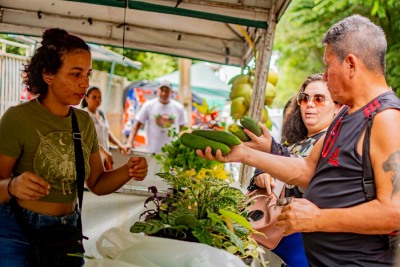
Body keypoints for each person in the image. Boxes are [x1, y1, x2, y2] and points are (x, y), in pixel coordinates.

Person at [197, 14, 400, 266]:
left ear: (350, 64)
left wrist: (317, 219)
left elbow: (395, 213)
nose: (325, 76)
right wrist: (243, 154)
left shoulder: (386, 119)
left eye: (328, 66)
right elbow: (307, 169)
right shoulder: (346, 114)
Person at [0, 28, 148, 266]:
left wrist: (128, 171)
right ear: (48, 75)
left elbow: (97, 184)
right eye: (76, 74)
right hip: (17, 232)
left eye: (88, 74)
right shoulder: (17, 119)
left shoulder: (84, 122)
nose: (85, 84)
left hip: (66, 232)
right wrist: (13, 186)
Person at [250, 74, 339, 267]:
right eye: (304, 98)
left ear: (337, 107)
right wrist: (261, 172)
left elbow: (308, 174)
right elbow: (277, 165)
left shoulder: (336, 142)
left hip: (307, 245)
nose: (309, 104)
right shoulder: (297, 144)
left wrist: (271, 152)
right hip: (276, 237)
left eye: (319, 98)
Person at [127, 80, 186, 154]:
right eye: (162, 90)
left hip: (172, 152)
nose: (164, 93)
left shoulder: (178, 108)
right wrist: (129, 142)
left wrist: (183, 146)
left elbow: (182, 129)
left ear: (171, 92)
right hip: (152, 151)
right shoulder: (149, 105)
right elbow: (136, 126)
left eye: (167, 91)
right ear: (157, 90)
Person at [81, 86, 130, 170]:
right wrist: (105, 152)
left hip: (104, 156)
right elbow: (89, 139)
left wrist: (119, 145)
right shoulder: (84, 115)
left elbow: (107, 132)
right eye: (94, 97)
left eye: (99, 97)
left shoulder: (100, 113)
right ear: (86, 98)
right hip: (91, 157)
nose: (98, 100)